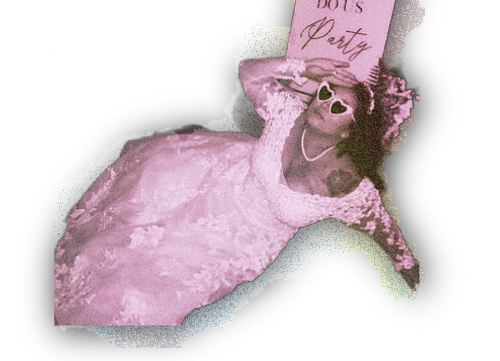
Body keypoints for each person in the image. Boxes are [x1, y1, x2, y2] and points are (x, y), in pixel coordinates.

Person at [54, 56, 420, 327]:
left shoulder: (347, 185)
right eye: (325, 92)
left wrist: (412, 275)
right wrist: (302, 68)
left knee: (149, 293)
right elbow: (249, 72)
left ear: (349, 131)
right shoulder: (290, 111)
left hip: (242, 241)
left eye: (338, 106)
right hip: (220, 179)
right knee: (128, 227)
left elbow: (386, 233)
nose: (323, 102)